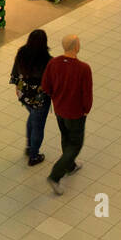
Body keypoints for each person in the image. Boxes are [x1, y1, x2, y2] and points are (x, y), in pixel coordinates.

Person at [41, 34, 93, 194]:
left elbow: (46, 86)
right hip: (75, 112)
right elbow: (87, 93)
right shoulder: (83, 68)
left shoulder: (53, 63)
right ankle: (55, 175)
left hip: (59, 110)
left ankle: (70, 165)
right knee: (76, 144)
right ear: (76, 46)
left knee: (65, 136)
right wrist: (86, 109)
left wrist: (56, 97)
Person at [10, 29, 52, 167]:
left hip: (24, 94)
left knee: (33, 117)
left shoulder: (22, 52)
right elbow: (50, 82)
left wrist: (17, 86)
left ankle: (29, 147)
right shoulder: (47, 60)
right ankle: (34, 156)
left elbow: (15, 71)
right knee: (38, 127)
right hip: (39, 99)